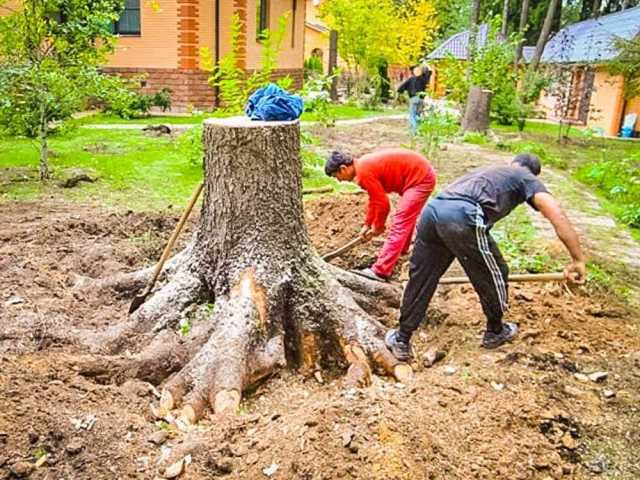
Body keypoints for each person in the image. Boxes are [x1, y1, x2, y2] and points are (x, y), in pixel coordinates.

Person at [384, 153, 586, 360]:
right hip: (461, 215)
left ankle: (402, 339)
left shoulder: (491, 171)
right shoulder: (527, 178)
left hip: (433, 210)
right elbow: (556, 214)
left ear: (513, 163)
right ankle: (495, 330)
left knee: (422, 277)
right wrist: (577, 259)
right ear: (534, 173)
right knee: (494, 272)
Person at [324, 148, 436, 281]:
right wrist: (367, 224)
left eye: (336, 176)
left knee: (400, 221)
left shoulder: (363, 172)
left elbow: (384, 205)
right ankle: (402, 249)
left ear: (343, 169)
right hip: (417, 175)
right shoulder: (362, 167)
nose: (339, 181)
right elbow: (374, 199)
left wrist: (378, 226)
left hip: (420, 179)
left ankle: (380, 271)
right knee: (405, 218)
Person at [397, 65, 431, 134]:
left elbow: (400, 88)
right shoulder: (424, 80)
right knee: (418, 115)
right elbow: (429, 73)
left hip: (413, 98)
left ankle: (414, 131)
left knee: (412, 115)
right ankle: (419, 130)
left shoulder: (411, 79)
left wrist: (404, 91)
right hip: (421, 99)